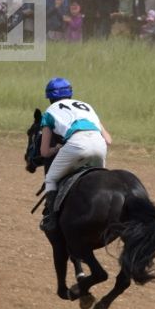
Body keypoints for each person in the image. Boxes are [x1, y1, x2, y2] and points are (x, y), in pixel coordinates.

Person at [37, 77, 112, 232]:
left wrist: (57, 148)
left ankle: (51, 219)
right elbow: (109, 140)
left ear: (50, 98)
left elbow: (44, 152)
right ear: (70, 94)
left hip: (76, 145)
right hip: (100, 146)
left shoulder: (49, 112)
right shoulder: (87, 107)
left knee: (50, 178)